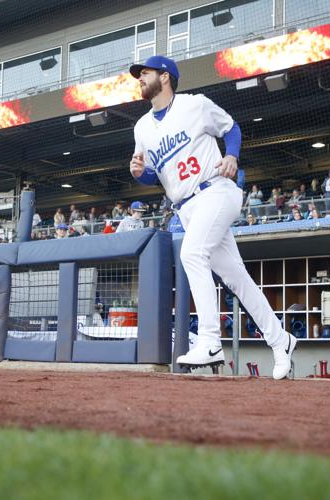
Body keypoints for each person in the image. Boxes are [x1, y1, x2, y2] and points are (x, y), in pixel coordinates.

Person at [128, 55, 296, 379]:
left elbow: (231, 128)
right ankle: (281, 340)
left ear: (165, 77)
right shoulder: (142, 128)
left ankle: (209, 339)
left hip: (215, 190)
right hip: (186, 206)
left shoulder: (195, 105)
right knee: (237, 279)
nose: (140, 78)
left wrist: (232, 154)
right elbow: (157, 177)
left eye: (145, 72)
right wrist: (140, 175)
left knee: (191, 253)